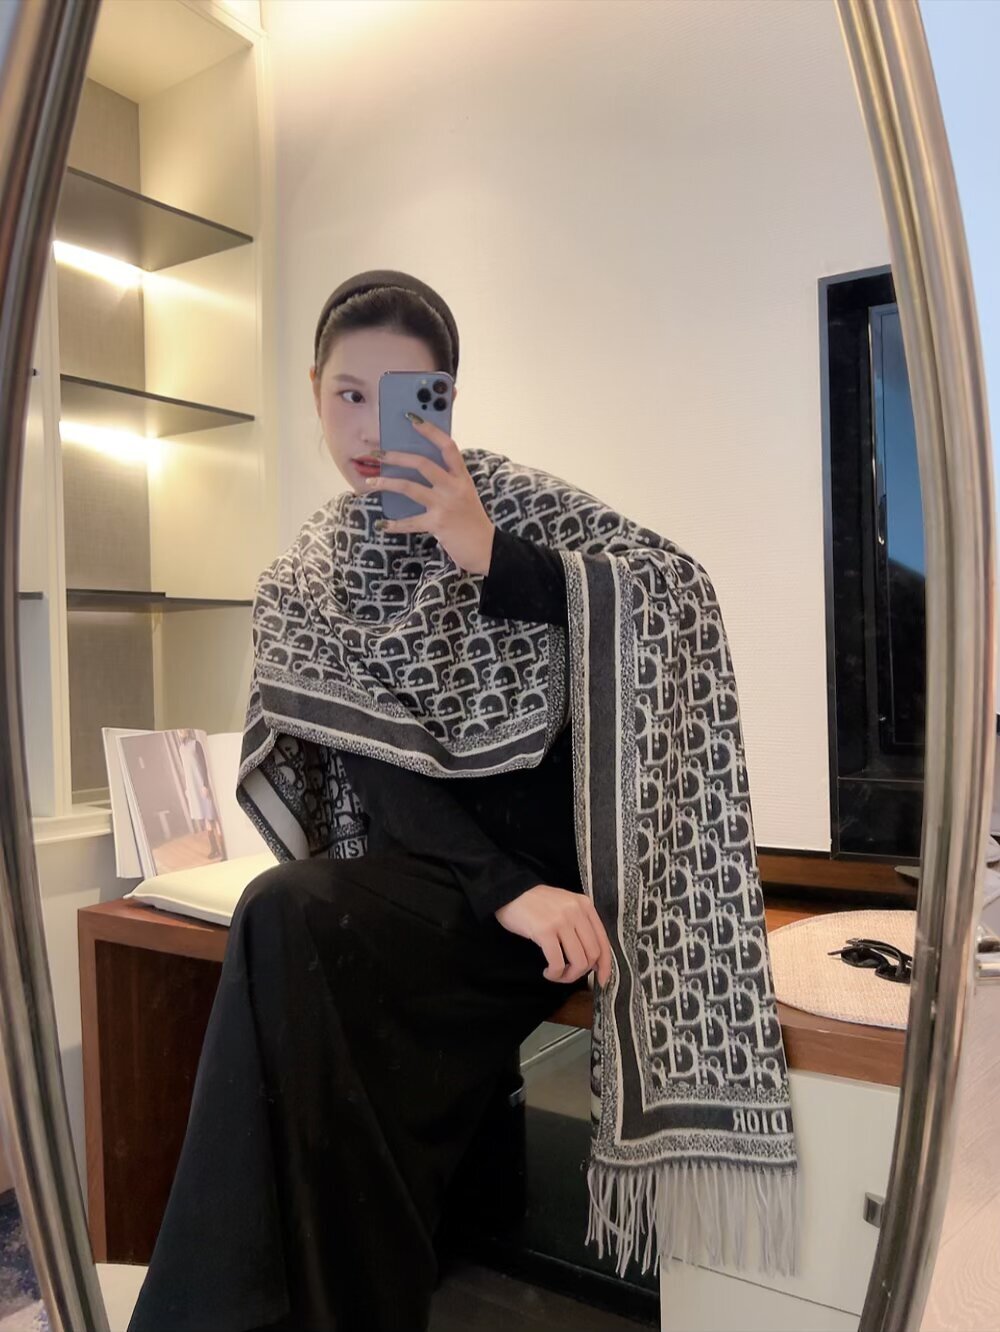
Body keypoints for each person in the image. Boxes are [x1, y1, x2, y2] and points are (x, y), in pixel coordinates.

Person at [126, 271, 613, 1332]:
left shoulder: (515, 504)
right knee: (283, 920)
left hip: (561, 890)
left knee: (308, 994)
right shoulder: (306, 577)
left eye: (400, 398)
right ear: (313, 390)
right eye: (347, 394)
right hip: (449, 883)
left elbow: (671, 598)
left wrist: (494, 557)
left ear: (444, 400)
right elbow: (381, 776)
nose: (366, 427)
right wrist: (500, 888)